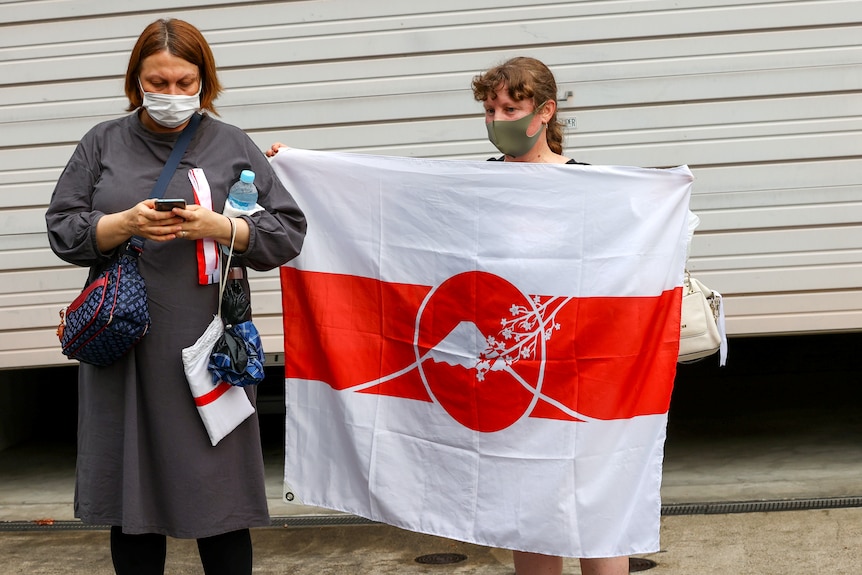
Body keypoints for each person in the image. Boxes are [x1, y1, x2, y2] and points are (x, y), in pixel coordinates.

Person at [45, 18, 306, 575]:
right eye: (157, 82)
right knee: (130, 500)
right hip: (126, 344)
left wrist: (221, 227)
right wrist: (123, 224)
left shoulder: (231, 142)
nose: (171, 95)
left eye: (184, 83)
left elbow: (286, 233)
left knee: (222, 498)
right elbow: (62, 229)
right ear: (135, 81)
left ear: (204, 82)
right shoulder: (102, 141)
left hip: (209, 343)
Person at [470, 55, 630, 575]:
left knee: (597, 506)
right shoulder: (476, 187)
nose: (497, 120)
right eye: (490, 108)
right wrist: (306, 167)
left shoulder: (591, 187)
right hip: (515, 370)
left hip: (581, 372)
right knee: (530, 507)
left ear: (545, 112)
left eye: (510, 107)